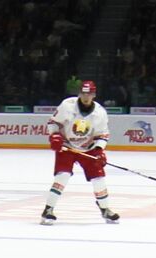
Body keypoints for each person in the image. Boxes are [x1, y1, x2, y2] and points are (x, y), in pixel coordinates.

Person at [41, 79, 118, 226]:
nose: (86, 96)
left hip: (87, 149)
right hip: (67, 147)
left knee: (98, 178)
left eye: (89, 93)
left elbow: (103, 134)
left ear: (94, 94)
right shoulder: (67, 105)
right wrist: (55, 136)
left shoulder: (100, 113)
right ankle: (48, 209)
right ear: (79, 93)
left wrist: (98, 150)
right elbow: (53, 123)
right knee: (62, 176)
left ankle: (105, 209)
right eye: (83, 93)